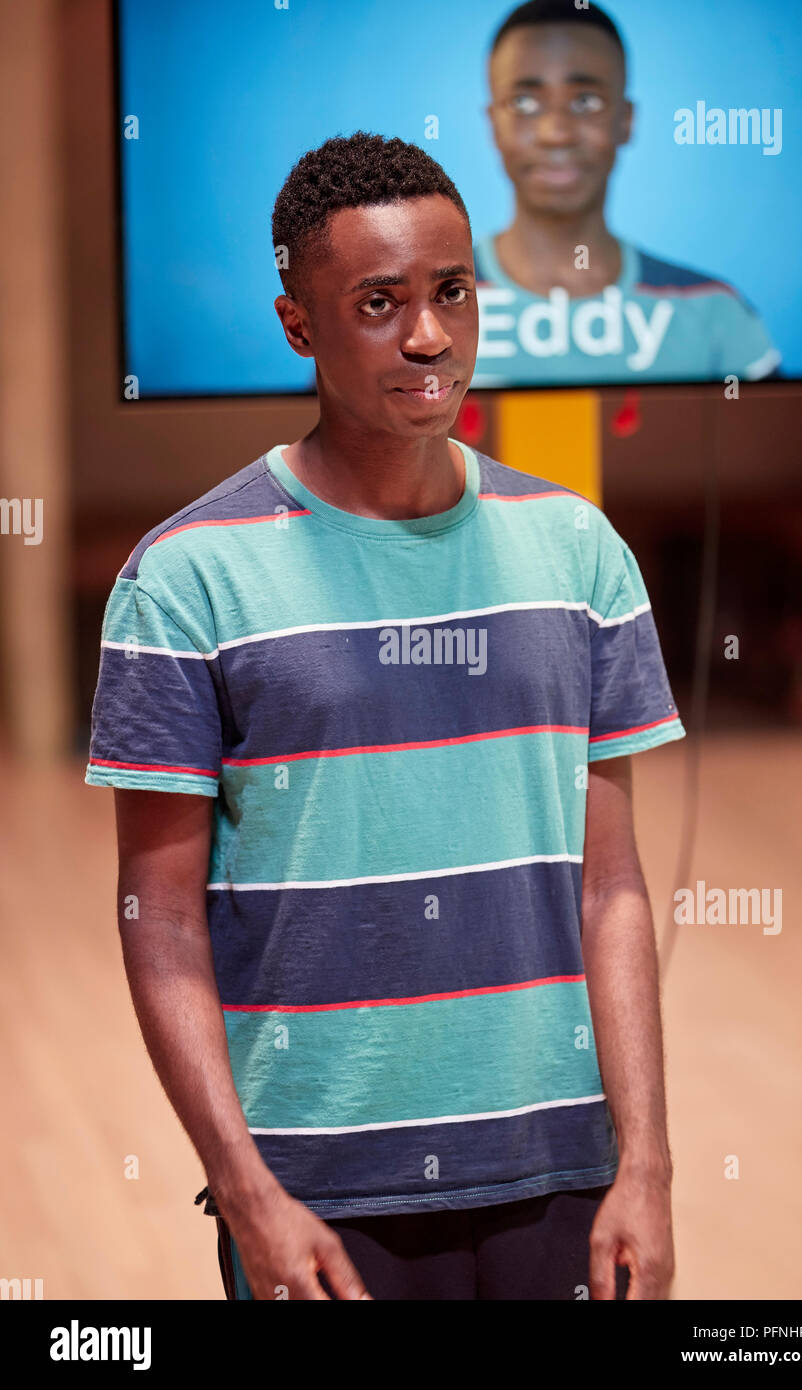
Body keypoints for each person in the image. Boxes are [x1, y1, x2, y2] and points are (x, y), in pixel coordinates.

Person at [86, 130, 685, 1300]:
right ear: (298, 324)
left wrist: (647, 1165)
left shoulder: (577, 553)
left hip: (557, 1167)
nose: (426, 336)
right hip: (317, 1191)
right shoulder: (186, 579)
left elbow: (607, 883)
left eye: (450, 292)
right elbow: (156, 920)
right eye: (377, 301)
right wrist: (247, 1191)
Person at [472, 0, 782, 386]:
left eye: (586, 101)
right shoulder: (422, 313)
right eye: (524, 102)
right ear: (493, 124)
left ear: (626, 120)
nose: (557, 133)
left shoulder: (713, 315)